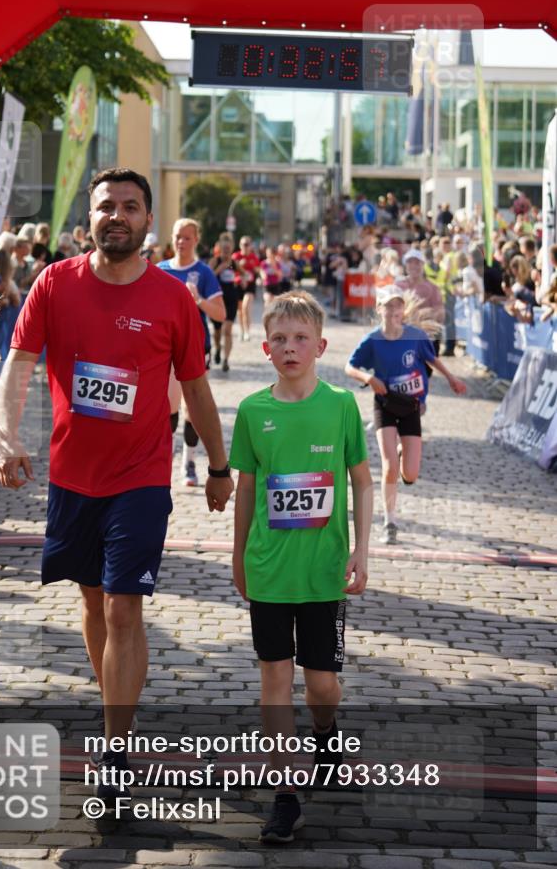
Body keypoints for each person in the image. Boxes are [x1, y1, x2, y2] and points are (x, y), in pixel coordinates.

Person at [0, 168, 233, 803]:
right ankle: (116, 708)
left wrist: (217, 465)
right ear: (90, 217)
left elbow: (198, 388)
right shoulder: (55, 283)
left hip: (142, 477)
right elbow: (18, 363)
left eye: (131, 206)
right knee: (94, 605)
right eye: (107, 206)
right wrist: (7, 435)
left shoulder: (172, 299)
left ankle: (116, 747)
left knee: (125, 608)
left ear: (148, 220)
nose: (118, 215)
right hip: (73, 477)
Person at [230, 290, 372, 843]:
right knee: (274, 678)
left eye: (300, 339)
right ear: (266, 348)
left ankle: (326, 730)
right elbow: (246, 488)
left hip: (323, 571)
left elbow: (360, 479)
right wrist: (239, 552)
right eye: (281, 340)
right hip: (269, 568)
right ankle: (285, 798)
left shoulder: (340, 406)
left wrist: (361, 549)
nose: (291, 348)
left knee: (322, 686)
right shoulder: (252, 410)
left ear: (321, 345)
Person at [345, 285, 466, 545]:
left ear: (403, 309)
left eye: (397, 305)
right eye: (388, 306)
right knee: (388, 467)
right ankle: (390, 520)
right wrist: (369, 377)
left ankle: (403, 455)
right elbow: (349, 366)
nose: (393, 310)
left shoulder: (415, 336)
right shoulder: (372, 340)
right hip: (385, 405)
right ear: (380, 309)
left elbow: (432, 359)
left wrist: (451, 378)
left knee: (410, 474)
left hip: (411, 407)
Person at [159, 218, 225, 486]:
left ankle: (188, 462)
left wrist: (198, 300)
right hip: (165, 347)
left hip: (197, 346)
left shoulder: (203, 273)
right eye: (177, 237)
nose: (181, 242)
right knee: (168, 407)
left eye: (187, 237)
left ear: (196, 240)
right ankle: (163, 462)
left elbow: (220, 313)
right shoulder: (160, 270)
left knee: (191, 406)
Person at [209, 234, 241, 372]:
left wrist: (244, 279)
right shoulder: (214, 261)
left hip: (231, 299)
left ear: (232, 248)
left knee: (227, 330)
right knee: (217, 331)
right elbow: (208, 278)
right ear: (220, 248)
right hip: (217, 299)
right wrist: (219, 269)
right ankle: (217, 348)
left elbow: (245, 274)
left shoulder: (234, 263)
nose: (227, 251)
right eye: (225, 248)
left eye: (229, 248)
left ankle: (226, 360)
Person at [233, 236, 260, 341]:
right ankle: (242, 331)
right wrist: (239, 265)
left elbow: (258, 270)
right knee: (240, 311)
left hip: (250, 285)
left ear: (250, 245)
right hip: (238, 285)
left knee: (246, 307)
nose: (246, 246)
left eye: (248, 244)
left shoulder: (253, 257)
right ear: (240, 245)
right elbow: (230, 270)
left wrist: (253, 268)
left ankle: (247, 332)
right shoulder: (236, 256)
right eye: (244, 244)